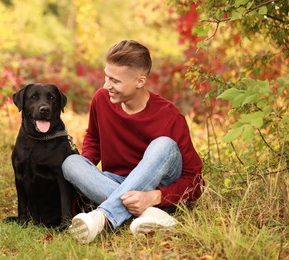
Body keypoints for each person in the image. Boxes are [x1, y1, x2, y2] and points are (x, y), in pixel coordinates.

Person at [62, 40, 203, 244]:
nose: (106, 85)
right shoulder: (101, 100)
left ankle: (102, 217)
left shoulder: (169, 116)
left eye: (115, 81)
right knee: (71, 163)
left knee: (164, 144)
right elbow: (93, 138)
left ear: (140, 81)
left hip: (157, 188)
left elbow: (195, 181)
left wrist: (154, 197)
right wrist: (87, 173)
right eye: (106, 77)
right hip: (115, 180)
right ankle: (149, 215)